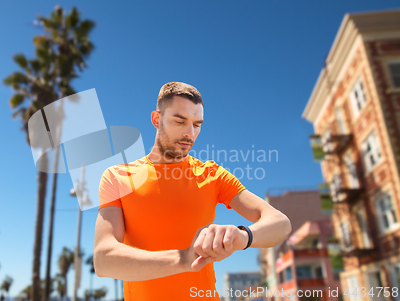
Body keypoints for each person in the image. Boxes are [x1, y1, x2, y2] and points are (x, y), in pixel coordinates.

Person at [93, 82, 291, 300]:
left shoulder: (213, 174)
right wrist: (183, 260)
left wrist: (242, 236)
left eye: (197, 124)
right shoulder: (116, 177)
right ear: (157, 119)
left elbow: (280, 224)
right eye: (180, 121)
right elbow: (104, 259)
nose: (190, 133)